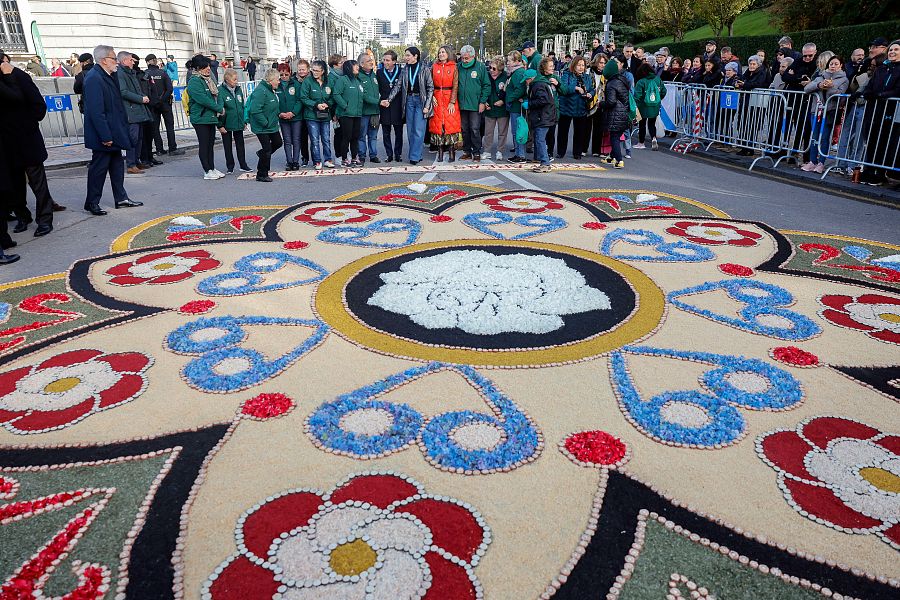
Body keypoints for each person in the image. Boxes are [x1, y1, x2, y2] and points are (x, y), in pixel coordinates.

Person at [0, 50, 61, 237]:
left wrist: (27, 126)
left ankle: (45, 219)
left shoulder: (19, 76)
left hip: (27, 139)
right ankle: (22, 216)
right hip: (6, 142)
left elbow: (39, 106)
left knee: (37, 182)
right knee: (15, 183)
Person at [82, 45, 142, 214]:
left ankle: (121, 198)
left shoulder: (109, 75)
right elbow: (96, 112)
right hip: (104, 135)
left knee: (117, 166)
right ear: (103, 60)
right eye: (113, 59)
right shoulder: (94, 78)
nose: (116, 62)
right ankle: (92, 202)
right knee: (98, 170)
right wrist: (106, 136)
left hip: (114, 131)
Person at [859, 40, 900, 185]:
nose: (892, 52)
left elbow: (897, 89)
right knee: (871, 140)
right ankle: (869, 170)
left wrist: (882, 95)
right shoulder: (882, 68)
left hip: (889, 111)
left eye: (896, 49)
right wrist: (867, 93)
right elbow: (871, 85)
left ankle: (880, 173)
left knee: (884, 142)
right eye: (890, 50)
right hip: (874, 110)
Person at [800, 54, 848, 173]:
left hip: (830, 111)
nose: (833, 66)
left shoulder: (844, 79)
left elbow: (840, 96)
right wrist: (819, 85)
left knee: (825, 137)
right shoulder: (821, 76)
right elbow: (807, 89)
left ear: (841, 65)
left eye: (836, 64)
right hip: (816, 111)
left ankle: (821, 162)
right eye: (831, 64)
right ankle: (812, 161)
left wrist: (830, 87)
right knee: (814, 136)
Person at [386, 47, 433, 165]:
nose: (406, 57)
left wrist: (427, 105)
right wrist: (389, 99)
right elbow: (398, 86)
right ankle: (417, 154)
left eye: (408, 55)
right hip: (409, 101)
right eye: (406, 55)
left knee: (418, 129)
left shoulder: (424, 68)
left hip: (421, 101)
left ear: (415, 56)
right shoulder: (405, 69)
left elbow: (430, 88)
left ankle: (414, 156)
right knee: (411, 129)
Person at [186, 53, 225, 179]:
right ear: (197, 68)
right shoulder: (194, 81)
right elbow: (203, 99)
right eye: (204, 67)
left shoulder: (208, 80)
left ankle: (212, 168)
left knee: (210, 144)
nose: (208, 68)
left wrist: (219, 106)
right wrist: (219, 108)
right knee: (204, 144)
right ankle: (207, 171)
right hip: (200, 118)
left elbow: (217, 95)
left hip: (210, 117)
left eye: (208, 66)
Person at [116, 51, 153, 174]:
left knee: (139, 137)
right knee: (133, 138)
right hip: (130, 110)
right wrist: (140, 98)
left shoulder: (130, 72)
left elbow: (136, 89)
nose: (133, 62)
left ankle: (136, 161)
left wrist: (143, 96)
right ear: (124, 61)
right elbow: (123, 91)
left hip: (137, 109)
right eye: (131, 60)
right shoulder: (121, 73)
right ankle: (131, 164)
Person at [247, 68, 283, 182]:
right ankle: (262, 173)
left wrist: (279, 114)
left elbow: (272, 107)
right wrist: (265, 122)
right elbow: (255, 110)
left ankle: (261, 153)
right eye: (277, 79)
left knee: (278, 142)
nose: (279, 82)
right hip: (262, 127)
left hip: (272, 125)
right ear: (271, 80)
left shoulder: (270, 90)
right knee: (267, 149)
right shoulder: (261, 91)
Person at [426, 45, 460, 162]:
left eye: (443, 52)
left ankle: (451, 151)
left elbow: (456, 85)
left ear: (448, 53)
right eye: (439, 52)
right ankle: (440, 150)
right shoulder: (434, 67)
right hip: (437, 97)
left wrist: (452, 101)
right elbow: (429, 83)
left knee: (450, 125)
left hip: (449, 96)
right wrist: (431, 97)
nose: (441, 54)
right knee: (438, 125)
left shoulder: (454, 67)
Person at [144, 54, 182, 157]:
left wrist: (154, 101)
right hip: (165, 103)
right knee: (170, 126)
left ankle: (159, 149)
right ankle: (172, 148)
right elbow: (169, 89)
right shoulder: (163, 73)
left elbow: (144, 90)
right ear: (155, 61)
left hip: (152, 105)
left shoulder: (145, 74)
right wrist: (162, 99)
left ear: (147, 62)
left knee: (155, 128)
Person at [457, 45, 490, 161]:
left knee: (475, 129)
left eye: (467, 58)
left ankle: (476, 152)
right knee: (464, 129)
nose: (464, 61)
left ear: (473, 56)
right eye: (462, 58)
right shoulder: (458, 67)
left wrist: (482, 102)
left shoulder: (480, 67)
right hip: (462, 104)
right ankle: (467, 151)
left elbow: (486, 85)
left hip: (475, 105)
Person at [557, 55, 594, 159]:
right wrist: (576, 88)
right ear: (574, 65)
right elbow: (563, 88)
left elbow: (591, 88)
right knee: (563, 132)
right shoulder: (566, 74)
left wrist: (590, 93)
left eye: (583, 65)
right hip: (567, 106)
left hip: (581, 107)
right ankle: (561, 152)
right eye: (579, 65)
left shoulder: (586, 77)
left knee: (579, 132)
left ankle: (577, 153)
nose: (581, 67)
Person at [301, 59, 334, 169]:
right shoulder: (308, 81)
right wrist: (316, 105)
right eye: (313, 70)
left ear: (323, 71)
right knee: (314, 139)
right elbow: (304, 98)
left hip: (325, 115)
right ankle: (317, 161)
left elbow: (334, 96)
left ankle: (328, 159)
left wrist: (327, 104)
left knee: (326, 138)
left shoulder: (329, 82)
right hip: (311, 115)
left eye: (317, 70)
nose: (314, 72)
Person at [218, 68, 252, 174]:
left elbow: (242, 105)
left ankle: (243, 164)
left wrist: (244, 121)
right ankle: (230, 166)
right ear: (227, 80)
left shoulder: (238, 89)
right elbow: (219, 108)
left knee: (240, 144)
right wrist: (220, 125)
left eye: (237, 79)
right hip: (226, 123)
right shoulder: (220, 91)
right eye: (234, 79)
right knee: (227, 146)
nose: (236, 81)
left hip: (238, 122)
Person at [527, 58, 558, 173]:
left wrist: (529, 104)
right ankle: (542, 161)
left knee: (540, 140)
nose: (553, 68)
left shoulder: (539, 84)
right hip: (546, 115)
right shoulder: (544, 82)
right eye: (550, 66)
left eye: (552, 66)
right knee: (540, 139)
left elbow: (543, 100)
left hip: (542, 116)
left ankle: (545, 163)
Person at [332, 59, 363, 166]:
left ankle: (354, 157)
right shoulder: (342, 80)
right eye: (355, 65)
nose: (357, 67)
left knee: (355, 136)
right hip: (346, 114)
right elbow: (336, 94)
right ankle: (344, 158)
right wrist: (345, 106)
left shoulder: (357, 80)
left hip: (357, 113)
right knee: (346, 136)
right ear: (349, 68)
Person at [602, 56, 629, 169]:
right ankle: (611, 156)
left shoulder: (611, 83)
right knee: (616, 136)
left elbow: (611, 101)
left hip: (615, 114)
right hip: (623, 113)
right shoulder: (621, 80)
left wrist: (601, 104)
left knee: (614, 137)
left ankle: (619, 160)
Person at [377, 50, 403, 162]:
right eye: (384, 60)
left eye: (388, 60)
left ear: (394, 61)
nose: (385, 62)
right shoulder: (379, 72)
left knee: (399, 132)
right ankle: (389, 154)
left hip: (397, 106)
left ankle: (398, 154)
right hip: (384, 106)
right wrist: (379, 101)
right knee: (386, 132)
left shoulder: (401, 71)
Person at [275, 63, 303, 170]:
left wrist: (293, 113)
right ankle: (289, 161)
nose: (284, 77)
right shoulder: (276, 85)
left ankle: (295, 161)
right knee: (287, 140)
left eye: (286, 74)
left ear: (290, 73)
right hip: (282, 117)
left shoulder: (296, 84)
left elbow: (299, 100)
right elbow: (274, 102)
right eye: (281, 75)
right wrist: (280, 113)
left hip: (296, 117)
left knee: (296, 139)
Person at [633, 62, 666, 151]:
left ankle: (641, 143)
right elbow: (664, 91)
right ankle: (654, 139)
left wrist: (636, 104)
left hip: (643, 106)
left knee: (642, 124)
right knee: (652, 124)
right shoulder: (658, 79)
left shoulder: (641, 81)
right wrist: (658, 99)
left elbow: (637, 96)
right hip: (655, 106)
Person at [482, 56, 508, 160]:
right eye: (490, 67)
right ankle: (487, 151)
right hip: (489, 109)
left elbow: (509, 92)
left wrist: (503, 101)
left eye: (494, 68)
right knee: (488, 132)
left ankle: (500, 151)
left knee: (502, 132)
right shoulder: (486, 76)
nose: (491, 70)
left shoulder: (506, 76)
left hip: (502, 109)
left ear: (500, 69)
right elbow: (482, 89)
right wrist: (484, 102)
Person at [505, 50, 528, 163]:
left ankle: (520, 155)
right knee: (516, 130)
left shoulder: (518, 73)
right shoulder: (515, 72)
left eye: (509, 61)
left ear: (516, 61)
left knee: (518, 130)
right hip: (514, 105)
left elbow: (520, 89)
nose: (507, 63)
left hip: (516, 106)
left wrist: (509, 98)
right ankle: (518, 153)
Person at [357, 53, 381, 164]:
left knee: (373, 135)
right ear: (361, 64)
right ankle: (361, 155)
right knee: (361, 135)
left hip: (375, 111)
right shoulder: (359, 77)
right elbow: (364, 95)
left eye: (371, 60)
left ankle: (373, 155)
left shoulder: (373, 75)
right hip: (364, 111)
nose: (371, 62)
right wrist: (379, 102)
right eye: (368, 61)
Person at [588, 53, 610, 158]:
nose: (602, 65)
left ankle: (596, 150)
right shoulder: (589, 72)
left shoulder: (607, 74)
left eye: (604, 63)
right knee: (586, 128)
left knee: (598, 128)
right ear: (596, 62)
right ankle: (583, 149)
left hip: (601, 103)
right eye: (601, 62)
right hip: (589, 102)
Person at [327, 54, 346, 161]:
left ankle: (344, 152)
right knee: (338, 132)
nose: (343, 65)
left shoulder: (343, 75)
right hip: (335, 109)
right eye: (341, 63)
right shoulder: (331, 77)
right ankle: (338, 154)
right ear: (334, 66)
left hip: (344, 108)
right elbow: (331, 95)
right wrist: (333, 113)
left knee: (345, 132)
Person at [295, 59, 312, 166]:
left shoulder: (312, 79)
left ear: (308, 69)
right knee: (302, 137)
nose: (301, 72)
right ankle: (304, 157)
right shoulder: (294, 80)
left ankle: (316, 158)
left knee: (314, 137)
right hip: (299, 113)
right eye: (299, 69)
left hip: (310, 111)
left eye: (303, 69)